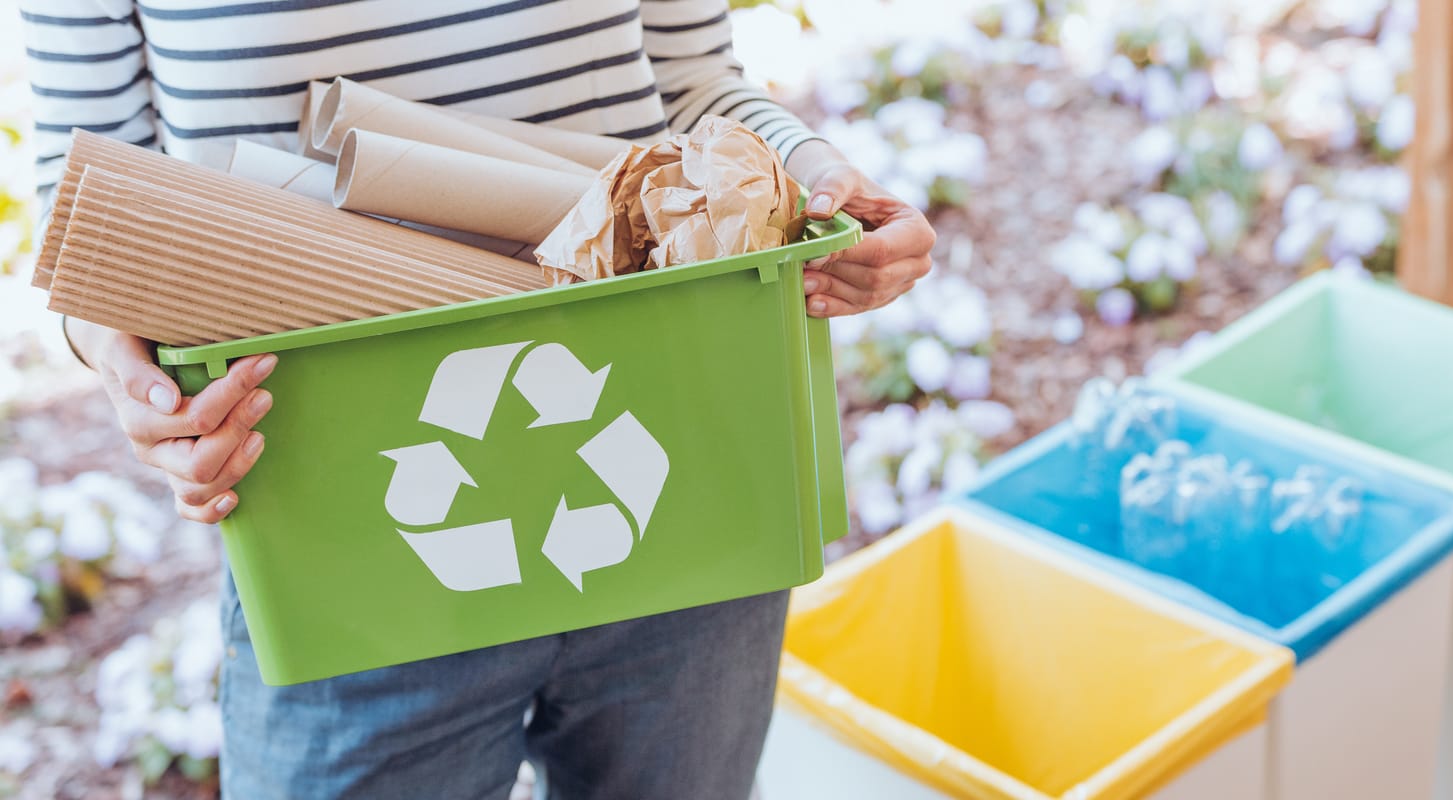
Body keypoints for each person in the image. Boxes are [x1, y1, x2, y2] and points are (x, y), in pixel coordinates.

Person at [22, 2, 936, 797]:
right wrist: (125, 369)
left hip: (680, 472)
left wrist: (821, 177)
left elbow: (691, 80)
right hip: (340, 529)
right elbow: (90, 191)